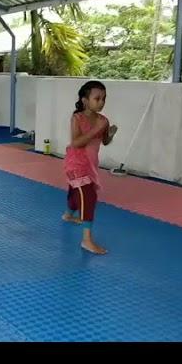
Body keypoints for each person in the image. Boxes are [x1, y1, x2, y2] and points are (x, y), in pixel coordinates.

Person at [62, 80, 118, 255]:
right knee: (88, 196)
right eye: (97, 98)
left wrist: (109, 134)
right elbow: (76, 143)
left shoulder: (103, 120)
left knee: (76, 188)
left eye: (103, 98)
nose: (101, 102)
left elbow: (105, 141)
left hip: (91, 164)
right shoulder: (77, 118)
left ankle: (68, 214)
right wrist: (97, 129)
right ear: (85, 100)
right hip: (76, 163)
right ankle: (86, 240)